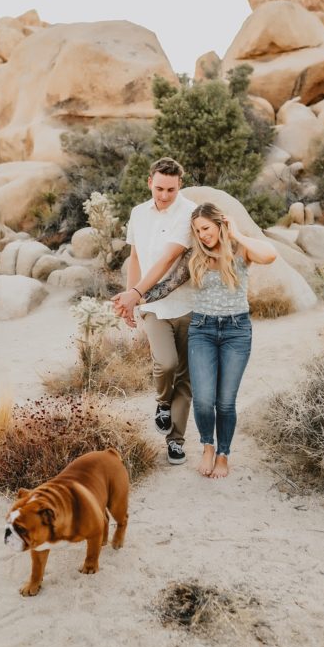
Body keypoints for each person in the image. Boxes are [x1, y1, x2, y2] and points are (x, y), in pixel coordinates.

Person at [140, 202, 277, 478]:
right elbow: (167, 286)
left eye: (206, 228)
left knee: (225, 401)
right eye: (197, 230)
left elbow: (270, 255)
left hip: (236, 332)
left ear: (219, 224)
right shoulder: (195, 256)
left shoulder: (240, 250)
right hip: (202, 330)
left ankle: (224, 454)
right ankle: (207, 447)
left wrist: (236, 233)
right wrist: (136, 298)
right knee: (203, 400)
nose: (202, 235)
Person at [112, 157, 196, 465]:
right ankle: (162, 403)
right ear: (150, 182)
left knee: (186, 378)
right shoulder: (138, 213)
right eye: (159, 188)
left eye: (170, 190)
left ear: (180, 186)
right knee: (166, 362)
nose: (164, 195)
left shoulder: (188, 212)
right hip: (153, 305)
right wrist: (130, 298)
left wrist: (134, 294)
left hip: (188, 304)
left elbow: (166, 259)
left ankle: (176, 440)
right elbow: (135, 257)